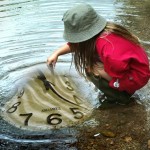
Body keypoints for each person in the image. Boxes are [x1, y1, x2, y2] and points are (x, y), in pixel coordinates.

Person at [47, 3, 150, 107]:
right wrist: (57, 53)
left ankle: (120, 99)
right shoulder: (104, 32)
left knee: (91, 71)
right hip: (134, 67)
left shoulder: (110, 50)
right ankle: (119, 91)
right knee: (93, 67)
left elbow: (119, 73)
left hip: (136, 76)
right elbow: (77, 45)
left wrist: (99, 71)